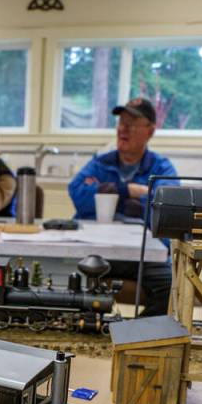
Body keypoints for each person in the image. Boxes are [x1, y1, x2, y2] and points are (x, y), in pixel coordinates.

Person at [67, 98, 179, 317]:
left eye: (132, 123)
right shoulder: (101, 163)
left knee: (170, 286)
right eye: (121, 123)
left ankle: (134, 335)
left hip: (143, 254)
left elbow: (168, 206)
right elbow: (78, 193)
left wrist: (139, 204)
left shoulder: (161, 167)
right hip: (100, 248)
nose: (123, 129)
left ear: (150, 131)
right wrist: (127, 191)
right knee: (62, 274)